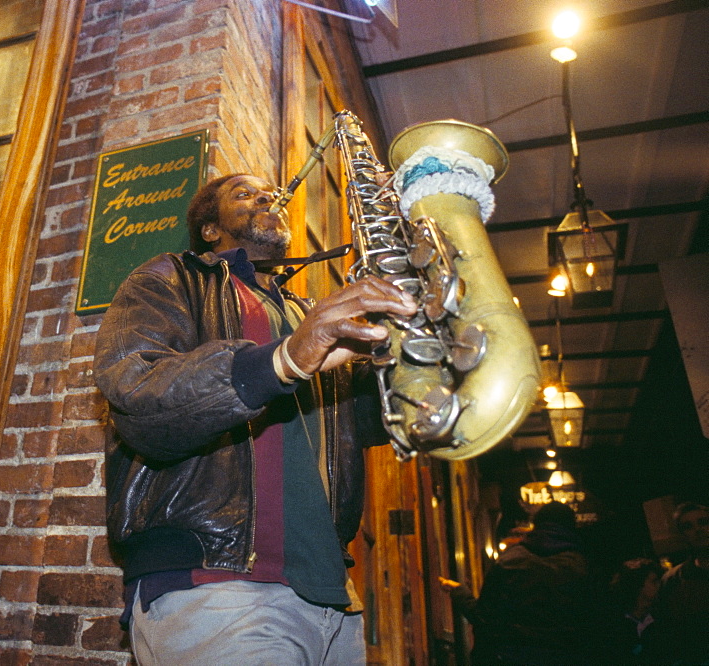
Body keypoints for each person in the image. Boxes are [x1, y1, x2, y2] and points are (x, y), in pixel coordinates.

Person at [92, 173, 418, 664]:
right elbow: (139, 398)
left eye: (269, 192)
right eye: (244, 193)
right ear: (209, 229)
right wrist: (283, 360)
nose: (266, 196)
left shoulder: (309, 313)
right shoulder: (168, 277)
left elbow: (373, 424)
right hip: (218, 587)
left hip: (336, 601)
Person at [438, 501, 598, 665]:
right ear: (572, 527)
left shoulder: (510, 561)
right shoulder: (583, 568)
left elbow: (485, 617)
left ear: (535, 525)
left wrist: (460, 593)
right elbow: (596, 625)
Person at [653, 501, 709, 665]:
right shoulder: (673, 580)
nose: (698, 530)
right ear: (682, 535)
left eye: (703, 522)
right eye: (688, 526)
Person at [604, 557, 667, 665]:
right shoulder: (615, 625)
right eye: (653, 581)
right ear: (638, 585)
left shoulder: (662, 616)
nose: (658, 585)